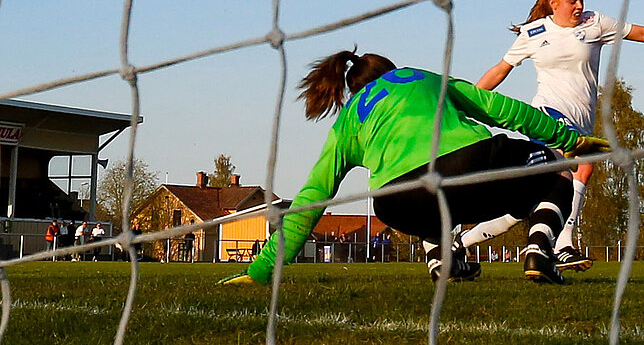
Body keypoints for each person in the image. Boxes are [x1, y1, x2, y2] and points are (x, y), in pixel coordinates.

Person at [227, 49, 606, 288]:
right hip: (470, 166)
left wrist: (263, 269)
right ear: (391, 71)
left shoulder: (347, 121)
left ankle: (444, 258)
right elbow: (498, 108)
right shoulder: (419, 78)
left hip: (397, 203)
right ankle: (541, 248)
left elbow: (313, 196)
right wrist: (569, 139)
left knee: (421, 197)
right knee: (556, 167)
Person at [461, 0, 644, 273]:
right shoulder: (534, 32)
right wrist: (468, 102)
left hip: (581, 121)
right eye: (572, 1)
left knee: (533, 202)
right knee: (580, 167)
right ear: (553, 3)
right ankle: (561, 245)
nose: (580, 5)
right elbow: (499, 70)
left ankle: (463, 242)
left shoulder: (595, 24)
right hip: (547, 114)